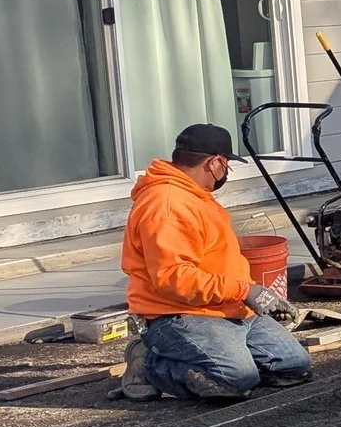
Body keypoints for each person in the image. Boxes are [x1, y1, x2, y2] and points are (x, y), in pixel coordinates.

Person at [120, 123, 312, 402]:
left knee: (293, 368)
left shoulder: (197, 196)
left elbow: (219, 262)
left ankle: (220, 358)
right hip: (179, 314)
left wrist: (256, 295)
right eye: (227, 166)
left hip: (228, 307)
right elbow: (175, 279)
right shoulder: (168, 205)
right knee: (234, 380)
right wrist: (246, 292)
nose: (225, 174)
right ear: (215, 163)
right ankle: (149, 362)